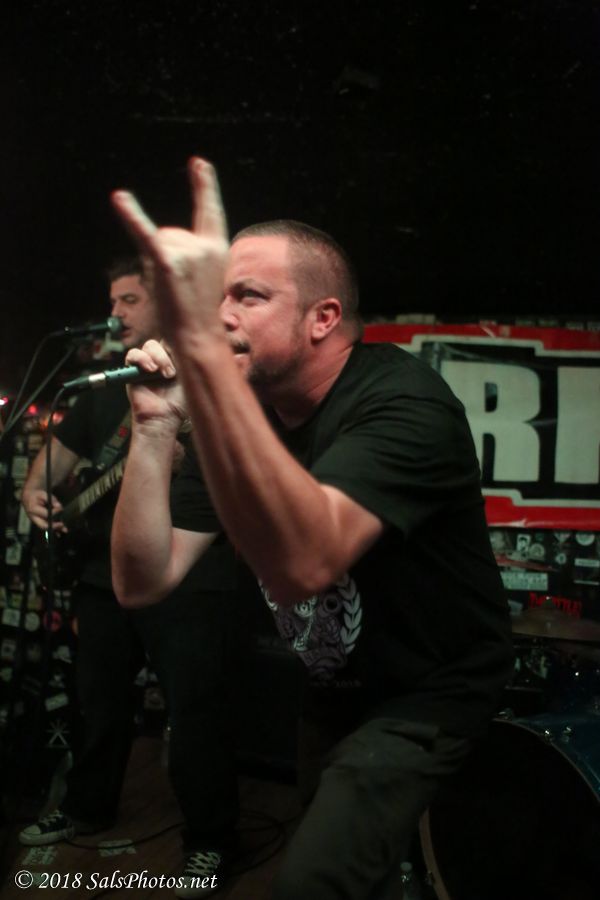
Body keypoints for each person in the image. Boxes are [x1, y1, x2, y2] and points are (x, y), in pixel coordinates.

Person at [110, 158, 514, 899]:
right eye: (215, 297)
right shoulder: (244, 422)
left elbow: (306, 560)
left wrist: (201, 356)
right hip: (333, 689)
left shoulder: (402, 403)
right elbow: (141, 579)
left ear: (322, 318)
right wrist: (156, 427)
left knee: (311, 882)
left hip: (431, 691)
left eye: (247, 295)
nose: (220, 315)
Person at [19, 257, 239, 898]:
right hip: (100, 572)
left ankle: (210, 838)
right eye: (111, 300)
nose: (114, 313)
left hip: (188, 574)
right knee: (98, 700)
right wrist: (36, 491)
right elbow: (53, 462)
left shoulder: (208, 381)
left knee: (195, 709)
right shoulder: (102, 385)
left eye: (128, 300)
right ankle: (87, 805)